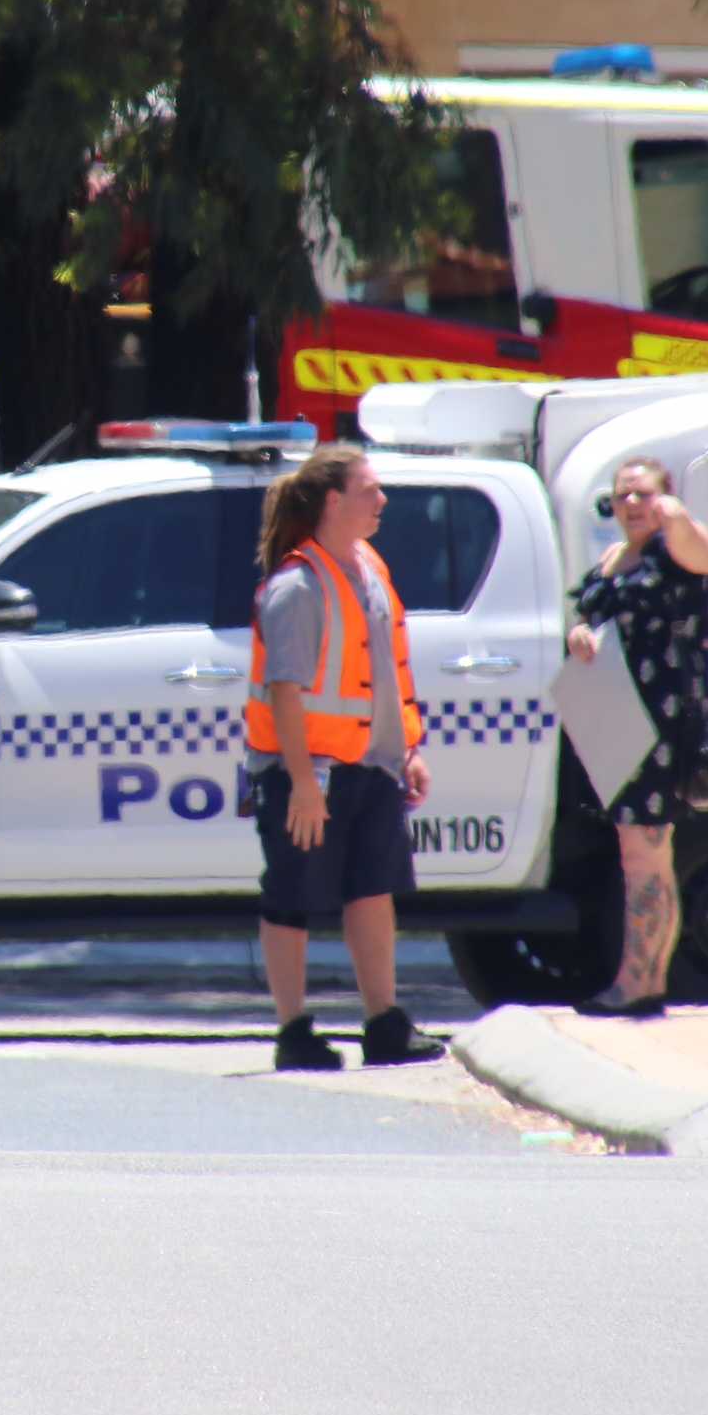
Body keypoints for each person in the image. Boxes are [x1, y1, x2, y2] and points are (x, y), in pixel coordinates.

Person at [245, 445, 448, 1070]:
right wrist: (304, 783)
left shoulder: (370, 569)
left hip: (370, 765)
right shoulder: (297, 586)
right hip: (310, 775)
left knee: (372, 891)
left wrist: (405, 748)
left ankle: (384, 1024)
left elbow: (384, 674)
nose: (383, 501)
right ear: (334, 502)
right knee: (292, 900)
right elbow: (285, 691)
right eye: (370, 490)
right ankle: (294, 1032)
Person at [564, 457, 708, 1019]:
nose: (631, 505)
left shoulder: (681, 547)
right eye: (622, 495)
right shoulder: (614, 557)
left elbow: (692, 539)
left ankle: (637, 984)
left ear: (667, 498)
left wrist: (669, 513)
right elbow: (593, 616)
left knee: (645, 856)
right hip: (614, 719)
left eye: (643, 494)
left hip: (661, 725)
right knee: (641, 858)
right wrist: (581, 635)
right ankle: (645, 979)